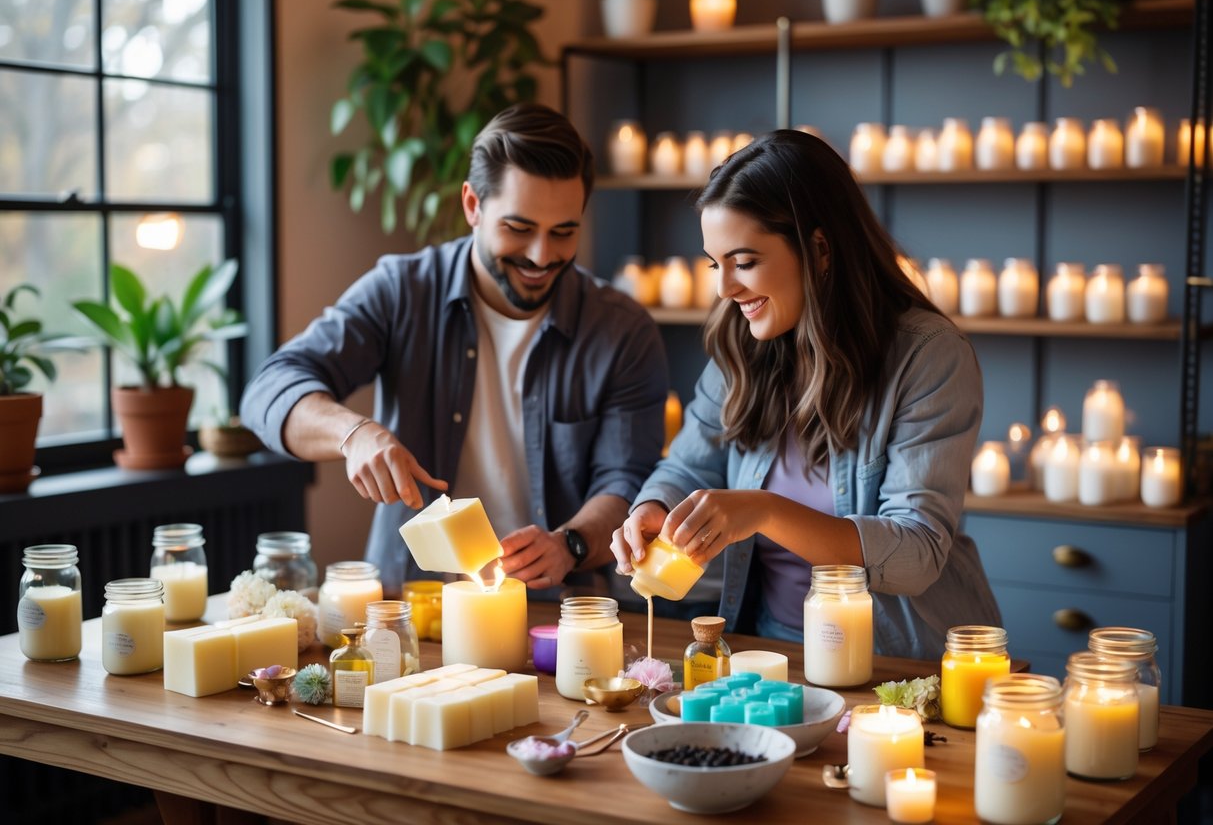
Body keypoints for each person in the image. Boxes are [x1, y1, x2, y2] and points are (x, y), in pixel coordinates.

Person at [242, 103, 669, 594]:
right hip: (414, 609)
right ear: (472, 205)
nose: (541, 255)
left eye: (564, 232)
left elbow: (626, 481)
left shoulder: (623, 331)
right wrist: (353, 433)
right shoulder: (402, 291)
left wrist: (569, 543)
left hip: (559, 616)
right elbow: (267, 389)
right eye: (519, 228)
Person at [610, 129, 1000, 660]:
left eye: (744, 262)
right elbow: (688, 467)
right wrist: (653, 509)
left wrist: (767, 511)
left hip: (897, 664)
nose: (724, 289)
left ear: (819, 249)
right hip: (768, 653)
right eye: (714, 264)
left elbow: (916, 552)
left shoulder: (928, 356)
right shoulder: (741, 342)